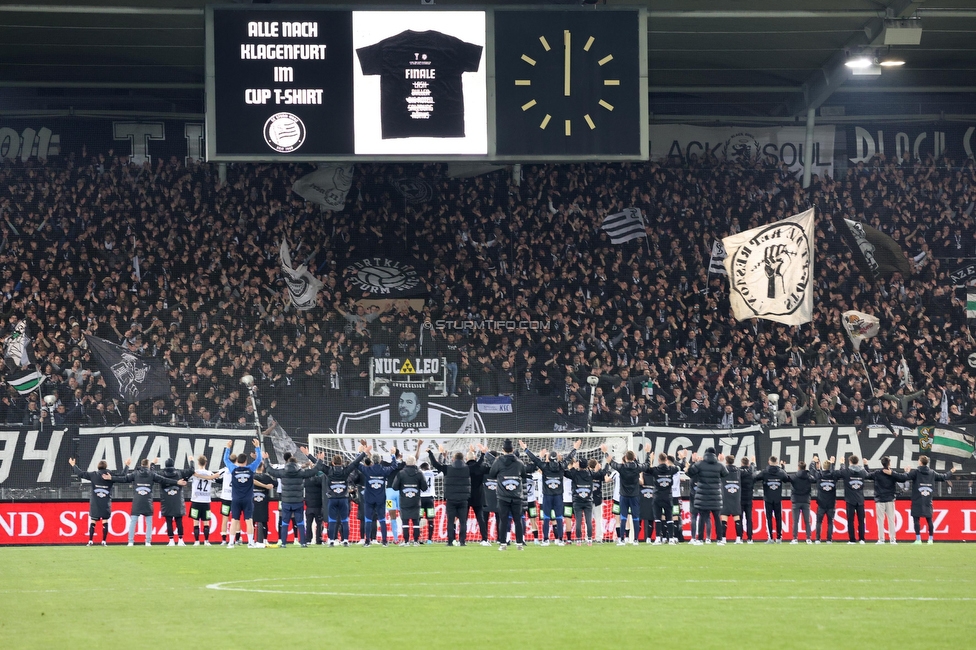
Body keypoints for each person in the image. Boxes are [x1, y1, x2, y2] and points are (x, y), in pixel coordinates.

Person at [520, 439, 580, 546]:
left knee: (546, 518)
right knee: (559, 518)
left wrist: (525, 449)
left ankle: (546, 540)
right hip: (558, 496)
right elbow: (569, 458)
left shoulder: (544, 466)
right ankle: (560, 540)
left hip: (547, 496)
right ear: (556, 458)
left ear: (549, 459)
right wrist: (575, 448)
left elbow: (534, 459)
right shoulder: (562, 466)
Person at [263, 447, 324, 548]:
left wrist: (266, 460)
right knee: (300, 522)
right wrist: (320, 460)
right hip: (298, 501)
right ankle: (303, 543)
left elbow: (270, 470)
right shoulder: (301, 472)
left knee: (285, 522)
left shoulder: (282, 472)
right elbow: (314, 471)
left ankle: (283, 543)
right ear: (296, 463)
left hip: (286, 501)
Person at [68, 456, 131, 546]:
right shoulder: (110, 475)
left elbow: (80, 474)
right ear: (106, 467)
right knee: (105, 521)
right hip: (105, 502)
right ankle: (104, 541)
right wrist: (127, 466)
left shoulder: (93, 475)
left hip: (95, 502)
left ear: (98, 467)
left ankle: (90, 541)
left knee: (93, 521)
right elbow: (122, 476)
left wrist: (73, 465)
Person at [118, 458, 180, 547]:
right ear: (148, 465)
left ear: (141, 464)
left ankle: (130, 542)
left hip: (137, 501)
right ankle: (148, 542)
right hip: (148, 501)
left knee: (133, 521)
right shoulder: (152, 474)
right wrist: (177, 482)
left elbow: (123, 478)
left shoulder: (135, 474)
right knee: (149, 522)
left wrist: (111, 477)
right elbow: (164, 480)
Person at [895, 455, 952, 544]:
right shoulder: (932, 472)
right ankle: (930, 539)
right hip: (928, 499)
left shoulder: (916, 472)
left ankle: (918, 539)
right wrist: (951, 472)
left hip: (917, 498)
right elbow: (943, 477)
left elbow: (904, 478)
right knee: (929, 519)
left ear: (920, 462)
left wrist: (907, 472)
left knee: (916, 519)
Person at [602, 444, 650, 546]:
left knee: (623, 517)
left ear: (626, 458)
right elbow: (647, 464)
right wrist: (648, 453)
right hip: (635, 496)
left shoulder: (621, 468)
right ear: (634, 458)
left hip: (623, 496)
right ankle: (635, 540)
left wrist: (605, 452)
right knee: (635, 518)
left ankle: (622, 539)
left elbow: (611, 462)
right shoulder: (637, 468)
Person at [322, 443, 367, 547]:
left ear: (332, 463)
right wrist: (363, 453)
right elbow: (355, 463)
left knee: (332, 520)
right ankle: (346, 540)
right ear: (341, 462)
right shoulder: (346, 471)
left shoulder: (329, 471)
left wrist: (309, 456)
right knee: (344, 520)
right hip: (343, 499)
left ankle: (332, 540)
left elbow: (318, 465)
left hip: (332, 498)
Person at [221, 437, 262, 549]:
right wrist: (257, 447)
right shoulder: (250, 469)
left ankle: (230, 543)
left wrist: (228, 448)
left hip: (236, 499)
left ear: (237, 461)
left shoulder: (233, 469)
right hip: (248, 499)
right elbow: (259, 460)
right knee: (248, 520)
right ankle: (250, 543)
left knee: (234, 520)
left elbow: (226, 460)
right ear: (246, 461)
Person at [427, 444, 471, 546]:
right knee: (463, 521)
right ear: (463, 459)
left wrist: (430, 453)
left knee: (450, 521)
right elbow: (478, 465)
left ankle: (450, 541)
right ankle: (462, 541)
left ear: (453, 459)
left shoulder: (448, 468)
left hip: (451, 498)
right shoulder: (467, 468)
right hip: (463, 499)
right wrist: (482, 454)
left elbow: (435, 464)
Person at [488, 439, 527, 551]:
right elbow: (524, 475)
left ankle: (503, 543)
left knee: (503, 520)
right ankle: (519, 543)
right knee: (518, 520)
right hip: (516, 496)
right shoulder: (519, 462)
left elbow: (492, 474)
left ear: (503, 450)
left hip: (503, 496)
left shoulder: (498, 461)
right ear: (513, 450)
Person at [359, 446, 401, 547]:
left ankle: (367, 541)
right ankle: (385, 541)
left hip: (369, 498)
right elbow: (394, 466)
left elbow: (356, 465)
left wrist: (360, 453)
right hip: (381, 498)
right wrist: (393, 455)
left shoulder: (367, 470)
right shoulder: (384, 470)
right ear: (380, 460)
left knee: (368, 519)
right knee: (382, 520)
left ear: (372, 461)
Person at [687, 447, 727, 545]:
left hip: (703, 496)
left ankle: (700, 539)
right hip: (716, 496)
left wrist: (692, 463)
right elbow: (726, 474)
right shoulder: (719, 465)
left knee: (702, 517)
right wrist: (721, 462)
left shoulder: (700, 464)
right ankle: (719, 539)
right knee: (717, 518)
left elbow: (689, 473)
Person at [157, 457, 196, 546]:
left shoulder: (161, 473)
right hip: (177, 500)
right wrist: (191, 461)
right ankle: (181, 540)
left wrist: (152, 464)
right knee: (179, 521)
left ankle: (171, 540)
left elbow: (151, 474)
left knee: (169, 521)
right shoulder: (179, 473)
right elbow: (191, 471)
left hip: (166, 500)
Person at [392, 454, 428, 546]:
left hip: (404, 501)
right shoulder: (419, 473)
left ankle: (406, 541)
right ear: (415, 463)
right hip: (416, 501)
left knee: (405, 522)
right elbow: (424, 487)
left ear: (406, 463)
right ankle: (416, 541)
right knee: (416, 522)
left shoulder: (401, 473)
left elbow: (394, 487)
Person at [644, 452, 679, 545]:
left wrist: (649, 457)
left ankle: (658, 538)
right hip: (668, 497)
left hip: (657, 497)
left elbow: (646, 469)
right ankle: (671, 538)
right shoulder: (671, 469)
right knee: (669, 518)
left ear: (658, 460)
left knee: (657, 518)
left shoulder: (655, 470)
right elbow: (679, 467)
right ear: (666, 460)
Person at [187, 454, 222, 546]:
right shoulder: (210, 473)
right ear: (206, 463)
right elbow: (217, 480)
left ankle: (197, 541)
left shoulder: (194, 473)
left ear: (198, 463)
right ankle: (206, 541)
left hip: (195, 501)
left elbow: (187, 478)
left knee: (196, 522)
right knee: (206, 522)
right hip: (206, 501)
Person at [834, 455, 869, 544]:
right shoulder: (862, 472)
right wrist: (866, 465)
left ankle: (852, 539)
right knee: (861, 521)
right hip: (860, 499)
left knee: (850, 520)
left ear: (849, 462)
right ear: (857, 462)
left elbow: (838, 473)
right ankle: (862, 539)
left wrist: (841, 463)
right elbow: (868, 475)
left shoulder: (846, 472)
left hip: (850, 500)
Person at [868, 456, 900, 544]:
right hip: (889, 499)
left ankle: (881, 539)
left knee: (880, 520)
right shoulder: (892, 473)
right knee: (891, 520)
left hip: (880, 500)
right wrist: (892, 473)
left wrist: (866, 465)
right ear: (889, 463)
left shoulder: (877, 473)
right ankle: (892, 539)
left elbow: (867, 475)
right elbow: (903, 478)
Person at [757, 456, 789, 543]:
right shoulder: (781, 472)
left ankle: (770, 538)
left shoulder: (765, 472)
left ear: (769, 461)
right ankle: (779, 538)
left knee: (769, 518)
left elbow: (755, 478)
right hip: (778, 498)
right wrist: (783, 468)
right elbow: (787, 479)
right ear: (777, 462)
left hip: (768, 498)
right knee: (779, 518)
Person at [565, 458, 595, 545]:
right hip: (588, 500)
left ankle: (578, 540)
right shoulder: (590, 474)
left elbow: (565, 472)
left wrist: (573, 467)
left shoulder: (574, 473)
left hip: (577, 500)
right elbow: (600, 473)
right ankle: (589, 539)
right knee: (588, 520)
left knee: (578, 520)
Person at [810, 456, 838, 544]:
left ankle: (817, 539)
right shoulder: (833, 476)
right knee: (830, 522)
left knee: (819, 522)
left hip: (821, 503)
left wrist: (813, 462)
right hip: (831, 503)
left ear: (823, 466)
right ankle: (829, 539)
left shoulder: (819, 475)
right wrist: (833, 464)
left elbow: (811, 470)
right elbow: (835, 472)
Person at [786, 460, 814, 544]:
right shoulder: (809, 477)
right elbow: (816, 479)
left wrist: (782, 467)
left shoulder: (794, 476)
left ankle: (795, 538)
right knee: (807, 521)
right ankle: (808, 538)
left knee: (795, 521)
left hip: (796, 501)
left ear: (798, 467)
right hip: (806, 501)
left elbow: (785, 478)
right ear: (805, 468)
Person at [719, 455, 743, 544]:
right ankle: (738, 538)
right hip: (736, 497)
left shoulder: (724, 470)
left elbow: (718, 472)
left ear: (726, 461)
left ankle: (723, 538)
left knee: (724, 518)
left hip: (725, 496)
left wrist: (720, 462)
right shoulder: (738, 471)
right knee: (737, 518)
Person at [252, 463, 275, 548]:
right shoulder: (267, 478)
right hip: (263, 501)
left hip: (253, 501)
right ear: (262, 467)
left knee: (252, 522)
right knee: (264, 521)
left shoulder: (252, 476)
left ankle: (252, 541)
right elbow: (274, 484)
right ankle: (265, 540)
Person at [739, 456, 758, 544]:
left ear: (742, 463)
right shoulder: (751, 473)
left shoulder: (738, 472)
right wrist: (753, 463)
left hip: (740, 498)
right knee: (749, 518)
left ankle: (740, 537)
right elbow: (754, 471)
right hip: (749, 498)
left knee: (740, 518)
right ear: (748, 464)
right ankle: (750, 538)